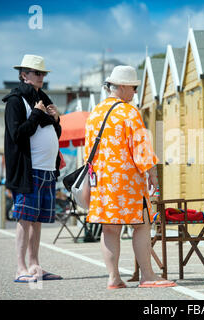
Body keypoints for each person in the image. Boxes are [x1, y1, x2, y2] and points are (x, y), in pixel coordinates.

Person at [84, 65, 176, 289]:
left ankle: (113, 278)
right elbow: (141, 149)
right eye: (133, 88)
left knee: (109, 228)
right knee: (142, 225)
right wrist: (153, 175)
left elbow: (88, 151)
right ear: (123, 86)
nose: (135, 92)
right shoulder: (129, 112)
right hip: (127, 181)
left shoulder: (95, 113)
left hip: (102, 181)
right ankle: (147, 276)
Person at [3, 54, 63, 283]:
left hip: (47, 169)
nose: (41, 77)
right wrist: (38, 114)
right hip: (28, 170)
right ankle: (20, 269)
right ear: (23, 74)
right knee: (24, 219)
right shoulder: (16, 101)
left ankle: (35, 265)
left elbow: (54, 134)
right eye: (36, 73)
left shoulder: (43, 101)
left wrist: (55, 120)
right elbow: (17, 134)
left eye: (43, 73)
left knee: (36, 220)